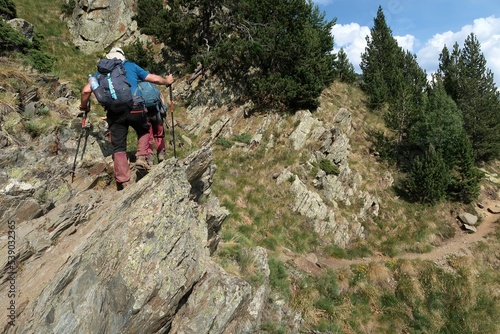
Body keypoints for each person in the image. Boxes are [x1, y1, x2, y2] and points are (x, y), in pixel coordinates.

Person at [79, 47, 174, 190]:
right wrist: (167, 81)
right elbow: (153, 79)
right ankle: (142, 158)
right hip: (135, 107)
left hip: (114, 113)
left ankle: (123, 181)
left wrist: (84, 107)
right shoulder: (131, 66)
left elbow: (86, 90)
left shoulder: (101, 72)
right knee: (144, 130)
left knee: (119, 147)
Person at [146, 91, 167, 166]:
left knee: (148, 137)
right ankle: (161, 155)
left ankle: (149, 159)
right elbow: (162, 104)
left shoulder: (137, 88)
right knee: (159, 135)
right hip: (157, 115)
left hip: (145, 116)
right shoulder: (153, 88)